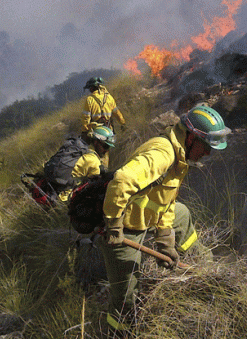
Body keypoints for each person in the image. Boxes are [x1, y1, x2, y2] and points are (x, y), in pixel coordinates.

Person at [96, 104, 230, 334]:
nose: (207, 153)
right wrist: (114, 225)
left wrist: (165, 239)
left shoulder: (180, 156)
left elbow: (166, 201)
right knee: (127, 296)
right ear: (190, 138)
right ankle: (119, 332)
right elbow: (121, 181)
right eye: (206, 146)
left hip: (146, 218)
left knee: (182, 213)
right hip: (125, 226)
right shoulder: (163, 153)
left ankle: (205, 268)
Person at [43, 125, 115, 203]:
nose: (106, 150)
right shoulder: (94, 162)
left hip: (53, 188)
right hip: (65, 199)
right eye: (106, 146)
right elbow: (97, 187)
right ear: (96, 142)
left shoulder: (80, 149)